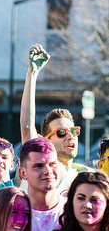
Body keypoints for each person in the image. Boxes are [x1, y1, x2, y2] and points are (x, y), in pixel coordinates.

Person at [20, 44, 92, 193]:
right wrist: (32, 74)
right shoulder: (41, 168)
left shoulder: (81, 177)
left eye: (73, 131)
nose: (70, 136)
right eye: (61, 133)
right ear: (46, 142)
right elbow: (27, 126)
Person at [18, 138, 66, 231]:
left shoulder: (72, 212)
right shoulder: (10, 214)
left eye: (53, 164)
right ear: (23, 173)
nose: (48, 171)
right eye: (39, 166)